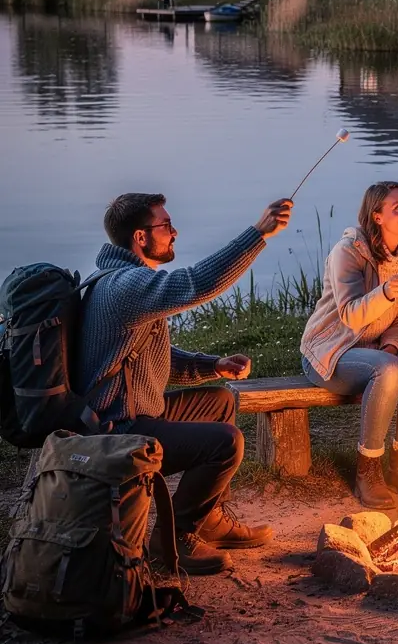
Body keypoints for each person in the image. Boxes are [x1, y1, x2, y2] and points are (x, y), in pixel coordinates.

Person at [77, 192, 292, 576]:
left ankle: (209, 520)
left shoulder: (120, 281)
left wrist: (212, 365)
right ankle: (173, 538)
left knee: (220, 402)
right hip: (119, 429)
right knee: (226, 443)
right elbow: (196, 284)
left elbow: (149, 357)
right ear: (140, 237)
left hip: (135, 411)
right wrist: (258, 233)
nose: (175, 232)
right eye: (166, 226)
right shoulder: (125, 286)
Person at [300, 182, 398, 510]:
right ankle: (369, 470)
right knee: (388, 370)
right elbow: (350, 315)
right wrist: (385, 293)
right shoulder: (347, 252)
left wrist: (391, 347)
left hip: (376, 348)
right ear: (377, 216)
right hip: (331, 350)